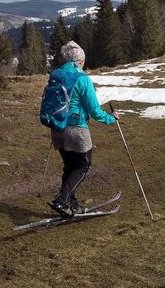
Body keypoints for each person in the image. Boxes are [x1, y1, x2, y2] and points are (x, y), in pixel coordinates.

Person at [48, 41, 119, 217]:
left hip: (57, 128)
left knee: (69, 167)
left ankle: (70, 205)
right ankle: (62, 200)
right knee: (83, 166)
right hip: (76, 130)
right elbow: (94, 110)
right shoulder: (82, 79)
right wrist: (112, 118)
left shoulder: (55, 75)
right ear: (80, 61)